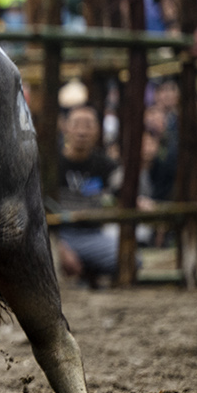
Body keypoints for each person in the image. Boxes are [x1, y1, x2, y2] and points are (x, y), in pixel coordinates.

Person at [55, 105, 122, 286]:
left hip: (93, 235)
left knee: (128, 258)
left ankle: (86, 272)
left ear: (98, 129)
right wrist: (59, 248)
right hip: (58, 235)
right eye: (76, 124)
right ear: (65, 127)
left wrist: (140, 201)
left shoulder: (106, 164)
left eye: (88, 125)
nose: (82, 131)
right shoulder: (51, 164)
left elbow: (123, 191)